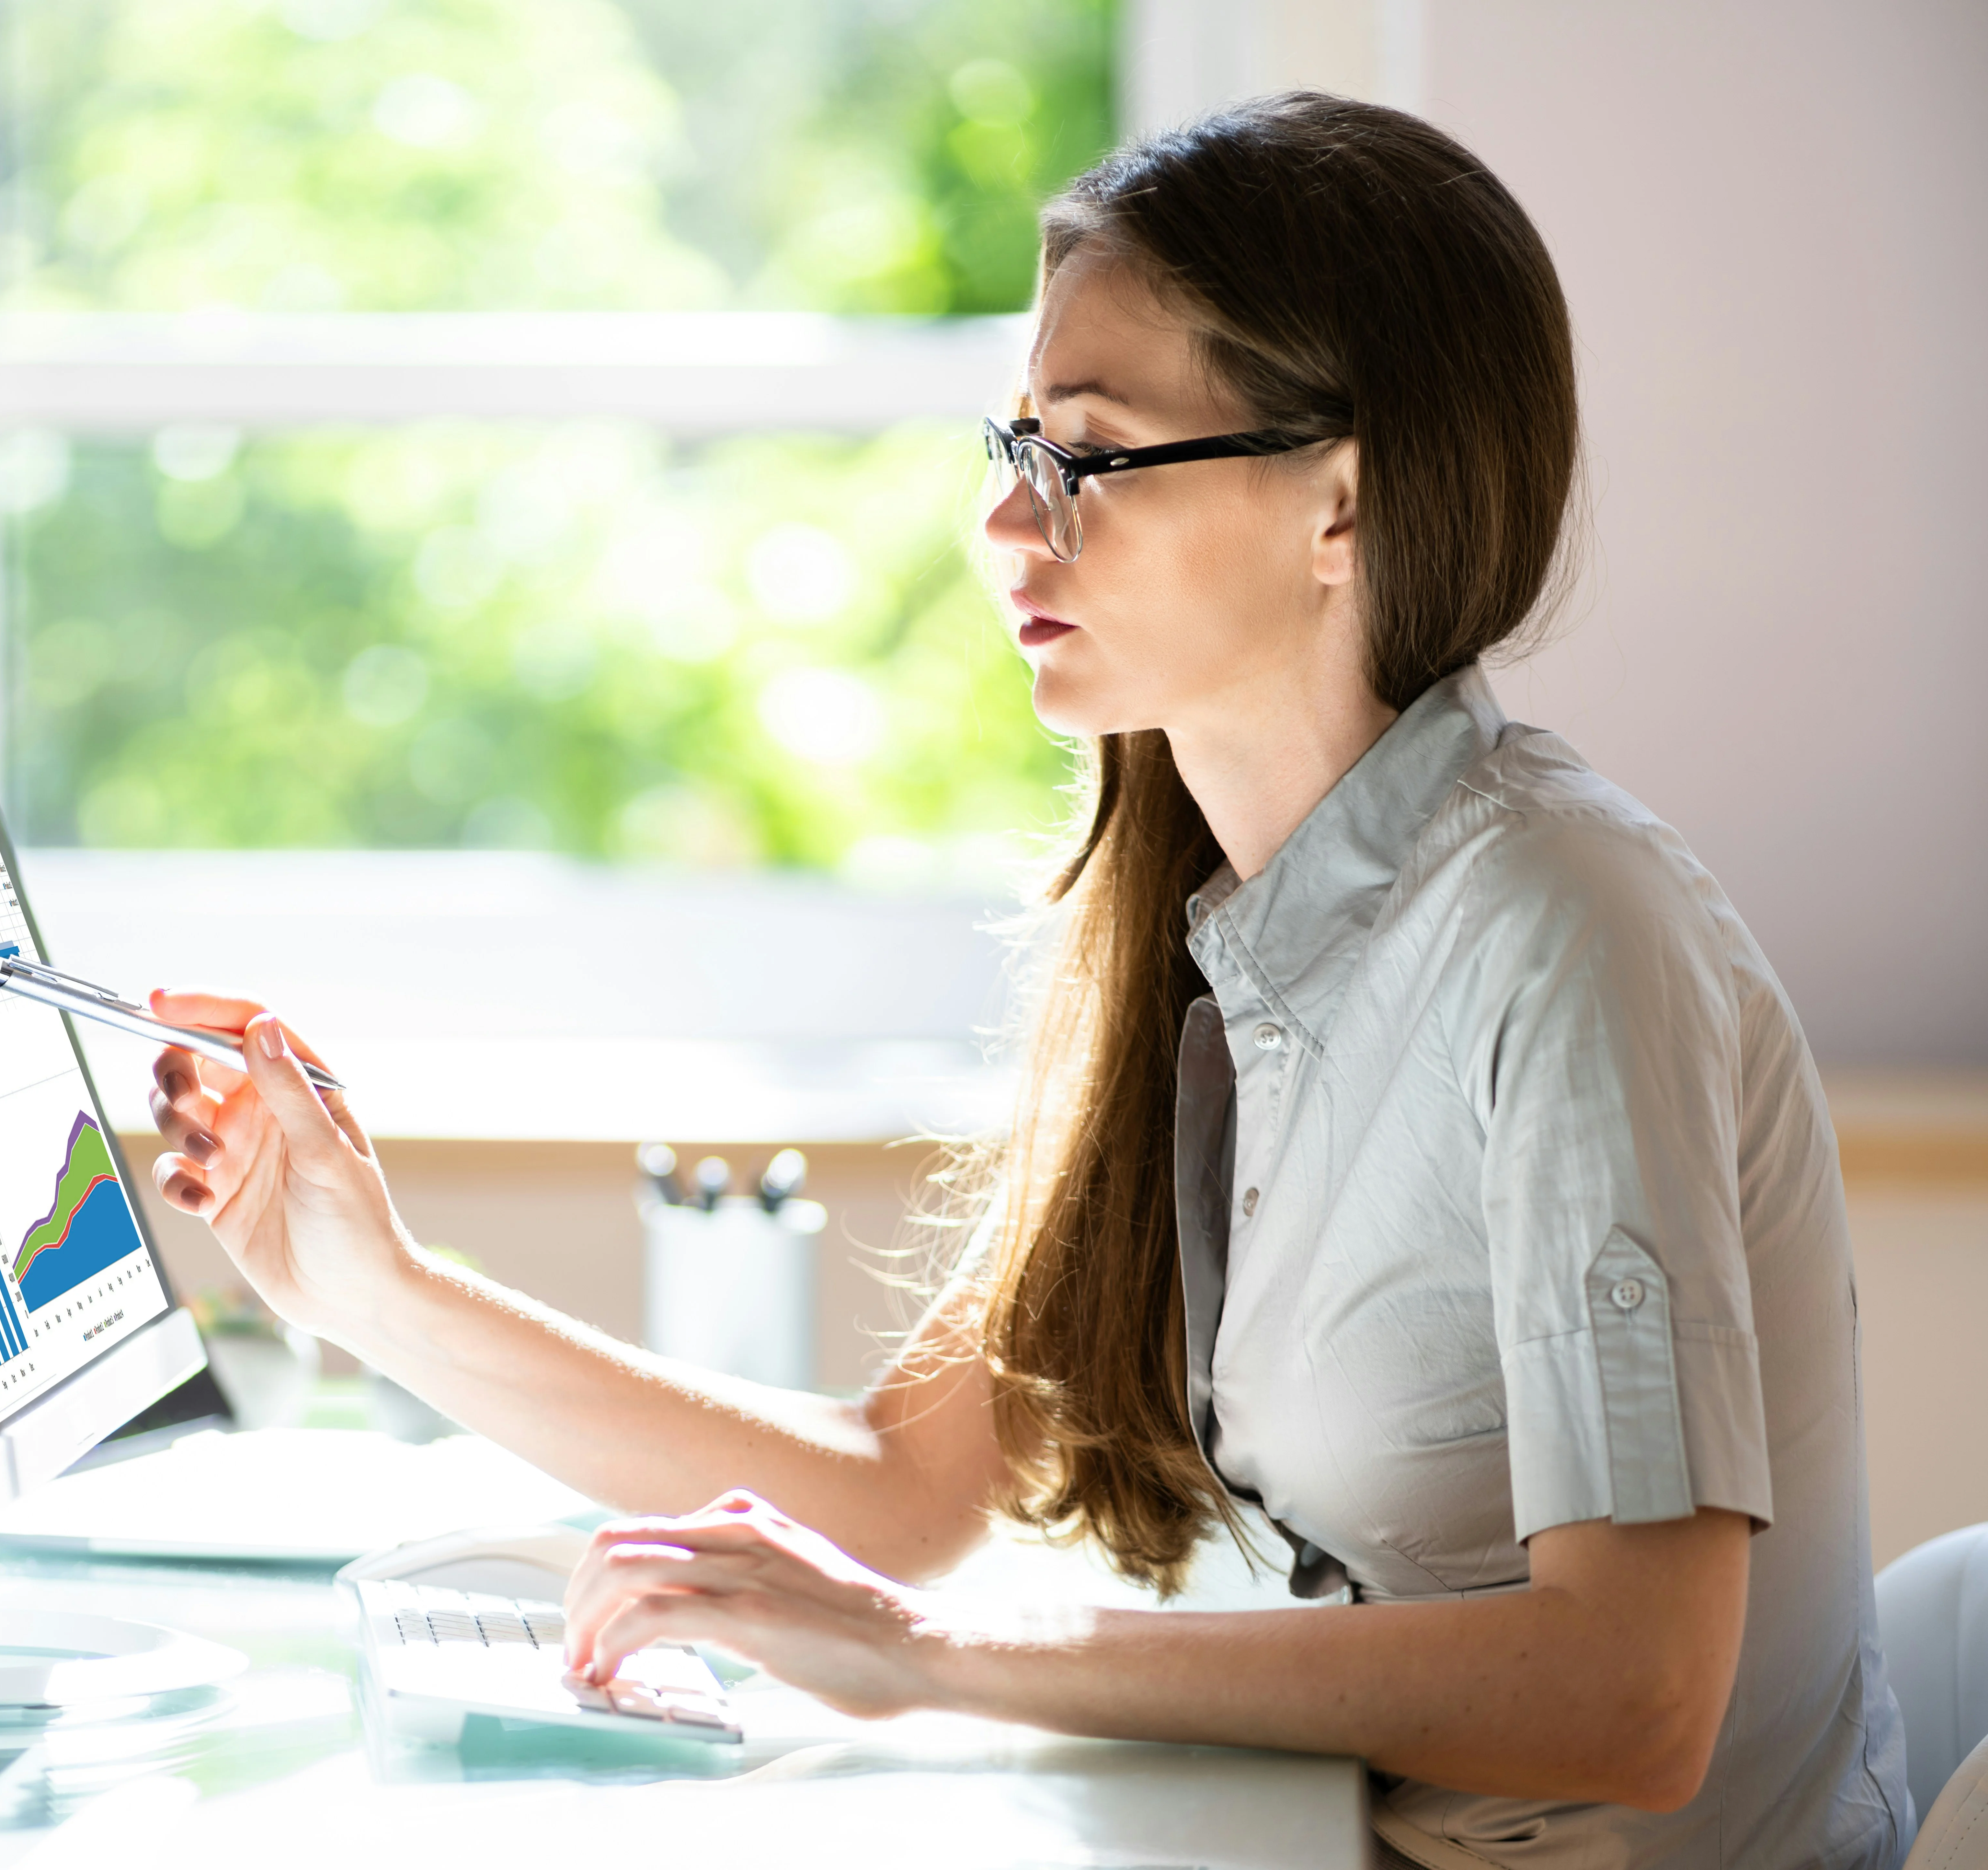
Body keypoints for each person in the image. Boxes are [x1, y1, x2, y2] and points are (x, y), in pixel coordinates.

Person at [140, 93, 1910, 1868]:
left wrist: (929, 1659)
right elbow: (900, 1489)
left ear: (1341, 504)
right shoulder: (1213, 924)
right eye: (1015, 439)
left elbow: (1638, 1694)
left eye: (1089, 454)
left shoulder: (1561, 925)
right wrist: (379, 1289)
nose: (1006, 521)